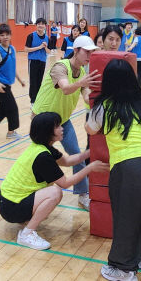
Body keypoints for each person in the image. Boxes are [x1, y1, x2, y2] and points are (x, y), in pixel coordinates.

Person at [86, 60, 141, 280]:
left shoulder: (104, 106)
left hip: (131, 166)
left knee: (127, 216)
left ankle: (124, 269)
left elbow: (90, 128)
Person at [0, 112, 107, 250]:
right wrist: (90, 168)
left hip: (10, 201)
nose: (62, 128)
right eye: (57, 126)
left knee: (50, 194)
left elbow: (67, 161)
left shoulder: (44, 147)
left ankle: (26, 221)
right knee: (55, 192)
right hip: (10, 207)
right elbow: (65, 183)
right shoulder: (43, 156)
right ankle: (26, 234)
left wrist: (89, 153)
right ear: (47, 131)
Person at [32, 36, 101, 210]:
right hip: (42, 120)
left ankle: (82, 194)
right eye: (86, 52)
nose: (89, 56)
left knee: (75, 154)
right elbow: (65, 88)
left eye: (92, 52)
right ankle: (35, 192)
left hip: (62, 120)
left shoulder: (83, 73)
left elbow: (85, 95)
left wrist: (95, 100)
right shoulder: (60, 67)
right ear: (76, 50)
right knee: (40, 158)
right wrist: (81, 84)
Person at [25, 18, 50, 105]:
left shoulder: (47, 38)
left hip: (42, 61)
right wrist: (39, 47)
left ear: (45, 26)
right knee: (33, 81)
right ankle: (32, 101)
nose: (40, 25)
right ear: (36, 25)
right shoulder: (31, 36)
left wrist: (45, 47)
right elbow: (26, 49)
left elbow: (49, 51)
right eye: (38, 23)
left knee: (39, 81)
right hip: (33, 61)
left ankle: (38, 99)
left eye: (42, 24)